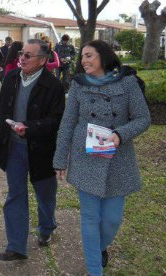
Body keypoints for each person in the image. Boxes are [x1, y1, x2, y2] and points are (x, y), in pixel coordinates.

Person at [52, 40, 151, 276]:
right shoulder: (78, 85)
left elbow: (143, 118)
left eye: (89, 56)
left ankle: (99, 247)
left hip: (118, 158)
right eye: (82, 57)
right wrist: (59, 159)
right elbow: (67, 122)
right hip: (86, 155)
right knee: (89, 217)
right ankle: (95, 270)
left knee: (112, 220)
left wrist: (120, 134)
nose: (83, 61)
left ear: (103, 56)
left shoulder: (127, 82)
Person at [0, 39, 65, 261]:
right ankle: (16, 246)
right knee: (15, 194)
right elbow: (2, 109)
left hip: (41, 150)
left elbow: (56, 120)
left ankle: (46, 228)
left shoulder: (53, 86)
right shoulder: (12, 78)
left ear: (43, 60)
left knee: (45, 194)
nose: (21, 58)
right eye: (21, 54)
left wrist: (31, 128)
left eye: (28, 55)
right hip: (13, 147)